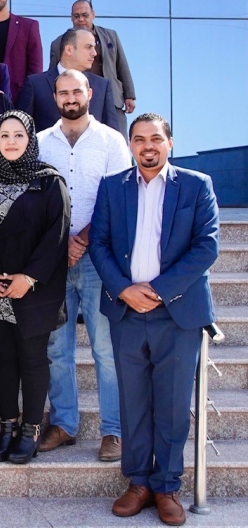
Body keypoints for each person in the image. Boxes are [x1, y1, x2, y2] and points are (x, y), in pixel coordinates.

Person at [90, 113, 219, 526]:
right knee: (133, 401)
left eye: (156, 139)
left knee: (174, 404)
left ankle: (166, 485)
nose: (148, 146)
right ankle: (139, 482)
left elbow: (206, 247)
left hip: (178, 313)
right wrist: (124, 289)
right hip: (127, 312)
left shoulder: (197, 185)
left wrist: (160, 290)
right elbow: (99, 244)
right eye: (140, 139)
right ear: (130, 145)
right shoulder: (112, 187)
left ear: (170, 142)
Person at [37, 69, 131, 463]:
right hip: (54, 261)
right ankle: (64, 424)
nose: (70, 98)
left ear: (89, 93)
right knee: (57, 348)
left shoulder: (111, 141)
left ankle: (114, 430)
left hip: (99, 259)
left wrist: (82, 240)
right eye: (64, 92)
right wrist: (61, 244)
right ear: (55, 97)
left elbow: (119, 197)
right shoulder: (41, 142)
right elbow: (36, 200)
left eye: (77, 91)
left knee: (105, 349)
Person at [0, 110, 70, 465]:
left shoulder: (49, 181)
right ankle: (8, 427)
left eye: (19, 135)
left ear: (31, 139)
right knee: (2, 360)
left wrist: (29, 278)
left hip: (33, 290)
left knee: (32, 360)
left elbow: (57, 235)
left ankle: (31, 429)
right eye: (4, 135)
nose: (11, 141)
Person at [49, 0, 136, 134]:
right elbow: (53, 74)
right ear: (71, 18)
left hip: (112, 97)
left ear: (93, 15)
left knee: (116, 137)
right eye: (76, 16)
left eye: (85, 15)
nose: (81, 19)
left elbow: (122, 65)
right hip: (77, 100)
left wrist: (129, 95)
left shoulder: (110, 36)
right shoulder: (59, 43)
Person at [19, 28, 121, 133]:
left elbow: (113, 132)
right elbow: (20, 128)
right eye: (88, 47)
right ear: (69, 50)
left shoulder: (102, 86)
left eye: (94, 47)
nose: (94, 53)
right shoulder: (35, 84)